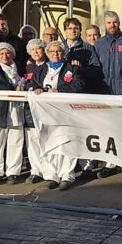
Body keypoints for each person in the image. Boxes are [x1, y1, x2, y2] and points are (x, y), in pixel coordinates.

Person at [33, 41, 87, 190]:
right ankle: (51, 175)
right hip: (46, 112)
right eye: (52, 52)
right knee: (48, 142)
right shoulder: (41, 69)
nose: (55, 54)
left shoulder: (71, 68)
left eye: (58, 51)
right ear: (47, 53)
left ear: (63, 53)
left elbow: (79, 84)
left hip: (65, 111)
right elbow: (33, 83)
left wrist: (59, 90)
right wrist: (37, 88)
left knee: (67, 142)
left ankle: (66, 176)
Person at [93, 11, 122, 178]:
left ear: (119, 23)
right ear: (104, 25)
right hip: (106, 92)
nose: (112, 25)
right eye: (108, 23)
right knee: (109, 129)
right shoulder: (99, 44)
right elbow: (94, 68)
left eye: (115, 22)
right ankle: (111, 163)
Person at [0, 43, 27, 186]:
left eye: (7, 53)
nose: (5, 56)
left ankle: (13, 172)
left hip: (16, 109)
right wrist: (12, 88)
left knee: (16, 141)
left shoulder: (18, 66)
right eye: (1, 53)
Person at [21, 39, 47, 184]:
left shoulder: (50, 66)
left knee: (44, 139)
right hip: (29, 109)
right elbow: (24, 82)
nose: (36, 52)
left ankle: (48, 169)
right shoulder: (27, 68)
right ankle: (36, 170)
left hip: (45, 109)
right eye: (33, 50)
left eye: (39, 49)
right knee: (32, 141)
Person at [62, 17, 103, 93]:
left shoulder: (88, 48)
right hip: (62, 89)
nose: (73, 31)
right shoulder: (60, 47)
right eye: (70, 28)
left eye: (76, 28)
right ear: (65, 31)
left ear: (80, 31)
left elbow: (96, 70)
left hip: (81, 89)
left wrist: (81, 68)